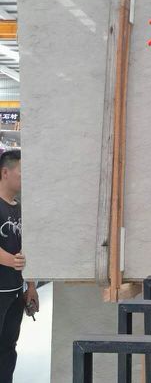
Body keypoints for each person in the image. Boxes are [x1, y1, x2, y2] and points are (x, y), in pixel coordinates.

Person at [0, 150, 38, 382]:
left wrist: (31, 286)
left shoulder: (20, 207)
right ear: (5, 172)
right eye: (22, 172)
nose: (27, 177)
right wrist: (7, 259)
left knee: (8, 346)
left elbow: (27, 248)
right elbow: (12, 257)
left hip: (15, 292)